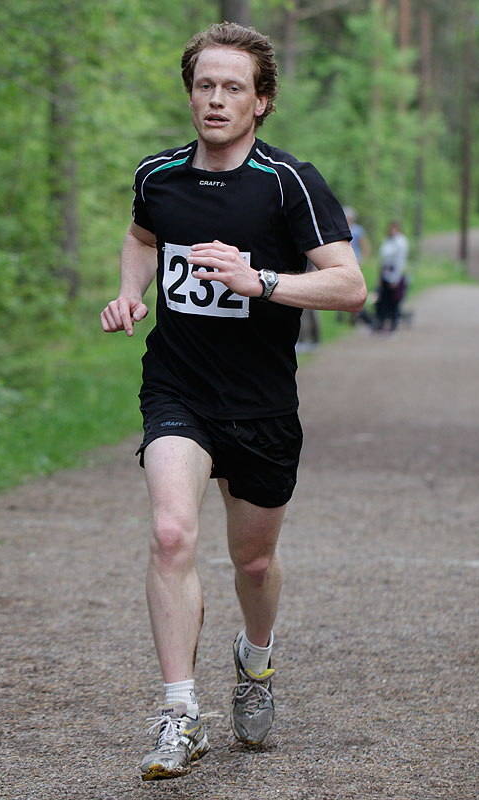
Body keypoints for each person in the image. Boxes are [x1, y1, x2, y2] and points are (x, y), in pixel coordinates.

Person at [100, 22, 366, 782]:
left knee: (253, 562)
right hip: (177, 388)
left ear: (262, 101)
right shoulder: (158, 176)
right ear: (191, 94)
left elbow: (350, 286)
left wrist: (263, 282)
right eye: (204, 85)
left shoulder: (288, 183)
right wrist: (130, 292)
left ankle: (255, 660)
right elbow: (142, 237)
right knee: (171, 533)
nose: (215, 99)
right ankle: (180, 713)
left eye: (233, 88)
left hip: (260, 404)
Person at [374, 220, 409, 333]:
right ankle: (382, 323)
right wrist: (379, 276)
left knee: (394, 300)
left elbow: (400, 261)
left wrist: (396, 278)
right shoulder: (387, 241)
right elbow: (382, 260)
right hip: (385, 273)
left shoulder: (401, 242)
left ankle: (394, 324)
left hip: (395, 275)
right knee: (383, 300)